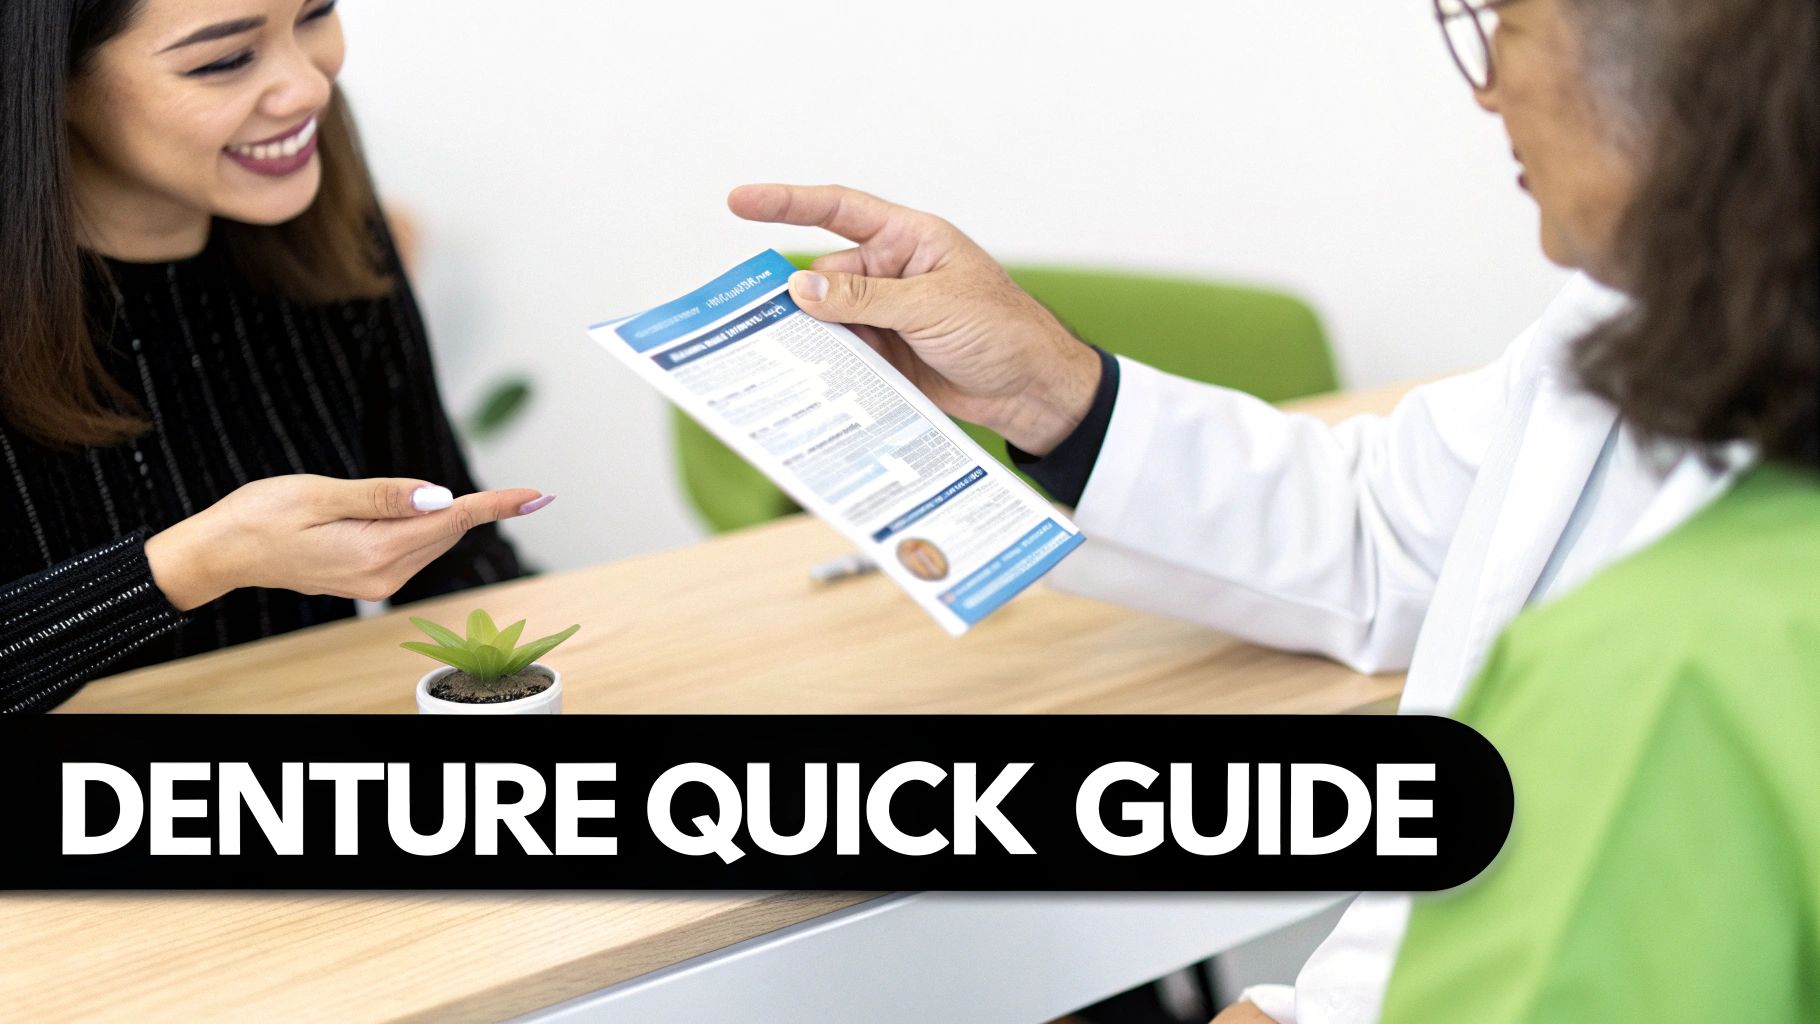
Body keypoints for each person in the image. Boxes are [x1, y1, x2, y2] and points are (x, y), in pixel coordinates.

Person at [727, 0, 1818, 1017]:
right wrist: (1054, 391)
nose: (1484, 90)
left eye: (1503, 23)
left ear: (1693, 60)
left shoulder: (1710, 615)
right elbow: (1385, 526)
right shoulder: (1632, 317)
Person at [0, 0, 550, 711]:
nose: (310, 87)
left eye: (315, 14)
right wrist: (193, 564)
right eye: (224, 59)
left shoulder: (331, 228)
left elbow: (456, 567)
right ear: (51, 83)